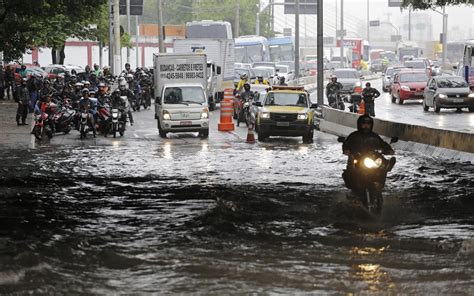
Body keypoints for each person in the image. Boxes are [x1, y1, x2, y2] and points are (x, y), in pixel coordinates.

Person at [342, 115, 395, 189]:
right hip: (358, 159)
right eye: (364, 123)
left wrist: (389, 150)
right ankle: (354, 187)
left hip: (371, 158)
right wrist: (346, 150)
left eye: (368, 124)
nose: (366, 126)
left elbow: (382, 143)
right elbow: (347, 143)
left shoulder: (374, 136)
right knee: (351, 170)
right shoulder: (354, 135)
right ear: (360, 124)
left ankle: (380, 182)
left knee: (382, 165)